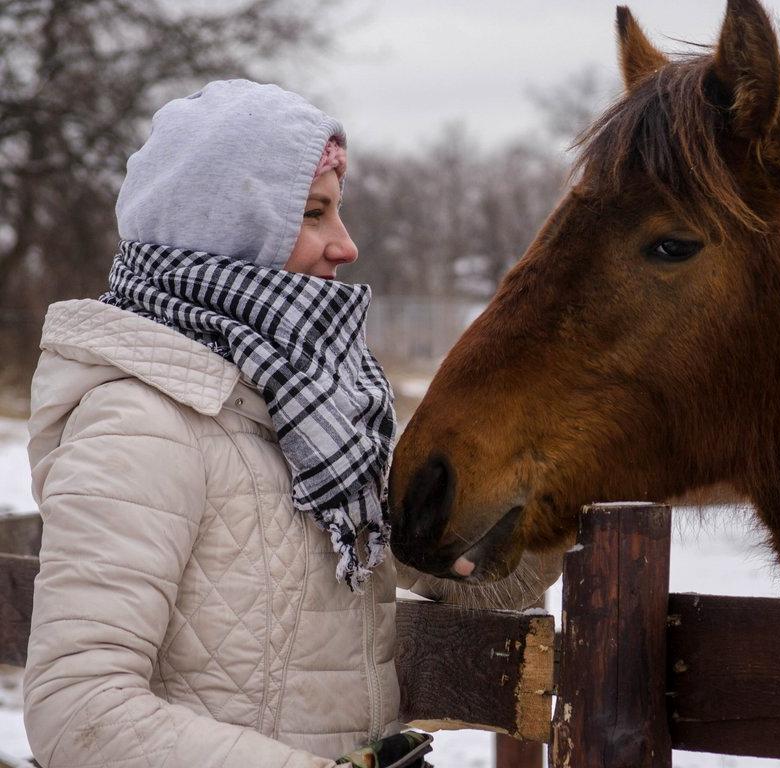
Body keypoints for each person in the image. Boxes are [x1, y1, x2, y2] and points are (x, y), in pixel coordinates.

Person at [23, 79, 558, 768]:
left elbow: (484, 581)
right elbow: (77, 709)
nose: (346, 245)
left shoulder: (319, 417)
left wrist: (579, 466)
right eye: (313, 214)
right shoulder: (139, 421)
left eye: (337, 213)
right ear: (228, 229)